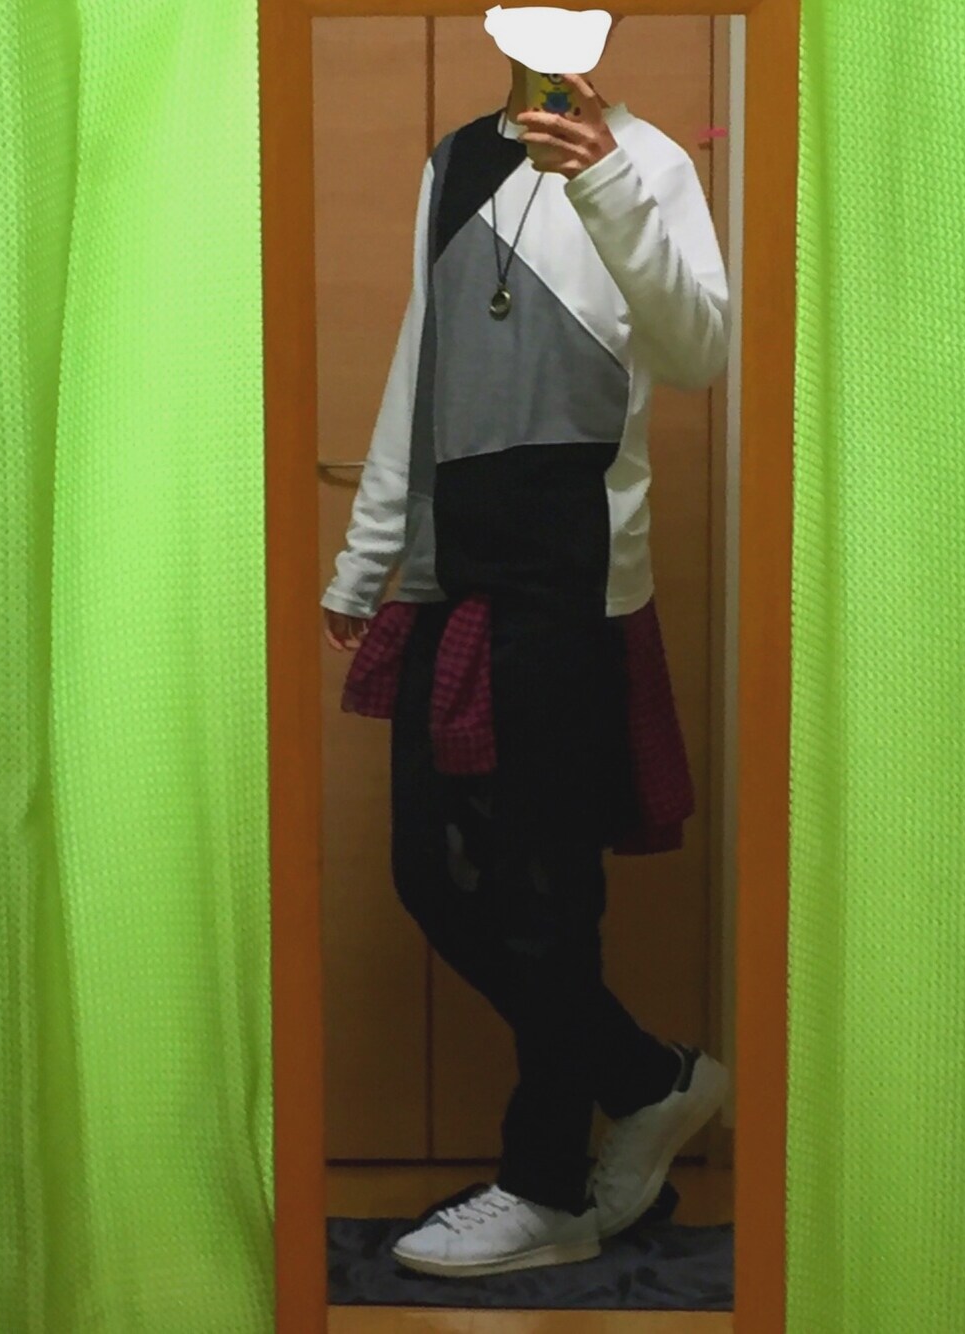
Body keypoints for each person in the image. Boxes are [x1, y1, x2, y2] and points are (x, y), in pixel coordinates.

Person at [321, 13, 731, 1278]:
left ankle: (549, 1184)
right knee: (434, 871)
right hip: (450, 567)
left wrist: (602, 182)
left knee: (549, 895)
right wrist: (368, 553)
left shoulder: (646, 159)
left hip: (571, 582)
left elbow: (698, 352)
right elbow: (423, 361)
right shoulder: (453, 159)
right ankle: (646, 1076)